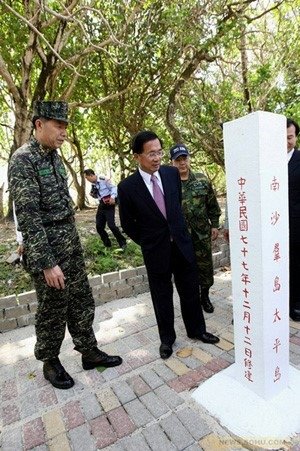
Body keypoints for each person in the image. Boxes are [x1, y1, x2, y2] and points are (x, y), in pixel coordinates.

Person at [8, 101, 122, 390]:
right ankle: (50, 361)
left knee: (82, 299)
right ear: (39, 124)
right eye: (58, 126)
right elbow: (29, 218)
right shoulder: (24, 159)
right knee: (53, 308)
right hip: (47, 251)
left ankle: (88, 351)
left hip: (69, 245)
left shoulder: (56, 158)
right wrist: (47, 263)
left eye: (65, 127)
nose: (63, 133)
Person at [118, 130, 219, 360]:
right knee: (162, 297)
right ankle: (167, 340)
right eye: (150, 153)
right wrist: (149, 242)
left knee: (190, 292)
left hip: (183, 246)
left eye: (159, 152)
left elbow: (176, 209)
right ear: (137, 156)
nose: (156, 158)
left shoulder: (171, 174)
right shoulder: (127, 187)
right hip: (156, 251)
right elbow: (128, 224)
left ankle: (197, 330)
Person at [170, 144, 221, 314]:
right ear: (172, 162)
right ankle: (191, 299)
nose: (182, 163)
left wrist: (214, 225)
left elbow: (212, 205)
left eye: (184, 158)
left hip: (201, 234)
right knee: (185, 269)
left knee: (205, 266)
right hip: (180, 237)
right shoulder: (168, 184)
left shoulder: (202, 180)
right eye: (178, 160)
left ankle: (205, 296)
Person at [84, 169, 126, 250]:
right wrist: (93, 194)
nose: (86, 179)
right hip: (101, 205)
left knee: (111, 225)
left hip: (109, 204)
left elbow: (114, 187)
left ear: (91, 175)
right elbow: (97, 195)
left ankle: (122, 242)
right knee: (99, 226)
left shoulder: (103, 179)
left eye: (86, 177)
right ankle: (107, 244)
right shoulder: (93, 184)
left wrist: (113, 197)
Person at [287, 118, 300, 321]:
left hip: (296, 223)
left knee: (296, 262)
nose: (286, 141)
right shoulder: (268, 159)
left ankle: (296, 302)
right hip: (273, 224)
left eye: (290, 137)